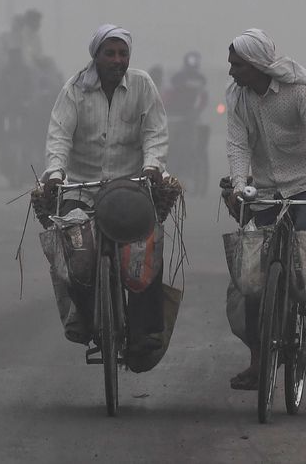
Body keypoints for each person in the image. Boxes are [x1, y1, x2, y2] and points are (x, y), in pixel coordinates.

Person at [224, 29, 306, 390]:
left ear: (259, 65)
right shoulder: (237, 98)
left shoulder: (298, 92)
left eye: (238, 66)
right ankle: (258, 360)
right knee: (252, 277)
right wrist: (237, 186)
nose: (231, 72)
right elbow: (237, 144)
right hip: (264, 190)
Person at [42, 23, 168, 351]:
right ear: (95, 56)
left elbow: (155, 131)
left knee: (145, 253)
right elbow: (59, 135)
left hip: (130, 189)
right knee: (74, 256)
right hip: (82, 188)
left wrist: (152, 165)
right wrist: (55, 174)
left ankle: (144, 332)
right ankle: (83, 316)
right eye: (109, 53)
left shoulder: (142, 85)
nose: (117, 60)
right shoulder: (74, 90)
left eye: (122, 53)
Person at [165, 51, 209, 120]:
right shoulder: (177, 77)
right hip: (173, 110)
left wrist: (197, 111)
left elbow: (203, 97)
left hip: (191, 112)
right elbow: (169, 93)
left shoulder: (200, 79)